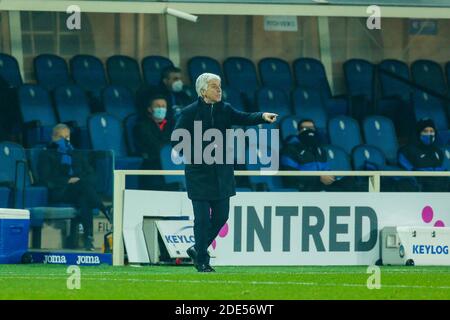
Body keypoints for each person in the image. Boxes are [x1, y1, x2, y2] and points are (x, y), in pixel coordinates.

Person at [173, 73, 278, 272]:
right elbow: (177, 140)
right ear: (203, 91)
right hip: (199, 175)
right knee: (202, 220)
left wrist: (262, 116)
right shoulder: (189, 112)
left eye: (219, 86)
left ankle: (197, 248)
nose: (219, 90)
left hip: (222, 174)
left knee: (221, 217)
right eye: (214, 86)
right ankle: (202, 260)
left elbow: (244, 118)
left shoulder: (225, 109)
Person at [39, 124, 111, 251]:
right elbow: (46, 179)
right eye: (60, 137)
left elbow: (92, 175)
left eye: (67, 137)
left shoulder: (76, 154)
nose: (65, 140)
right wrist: (68, 180)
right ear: (53, 137)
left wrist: (78, 181)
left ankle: (88, 239)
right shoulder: (47, 154)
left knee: (84, 199)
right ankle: (104, 209)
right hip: (59, 191)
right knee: (83, 189)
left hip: (79, 191)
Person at [280, 119, 356, 191]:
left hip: (322, 186)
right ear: (298, 132)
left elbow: (326, 171)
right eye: (305, 128)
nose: (309, 131)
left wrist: (331, 177)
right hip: (305, 188)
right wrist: (318, 178)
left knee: (351, 182)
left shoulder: (320, 150)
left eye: (311, 128)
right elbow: (290, 175)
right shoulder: (289, 150)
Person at [134, 94, 174, 190]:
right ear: (149, 109)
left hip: (172, 162)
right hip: (153, 162)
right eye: (158, 106)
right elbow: (152, 145)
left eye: (163, 106)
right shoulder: (141, 126)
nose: (161, 109)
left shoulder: (172, 125)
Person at [398, 118, 449, 192]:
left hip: (442, 182)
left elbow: (441, 168)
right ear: (418, 133)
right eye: (425, 131)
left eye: (432, 131)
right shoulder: (406, 150)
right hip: (423, 184)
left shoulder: (438, 151)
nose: (429, 134)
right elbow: (410, 169)